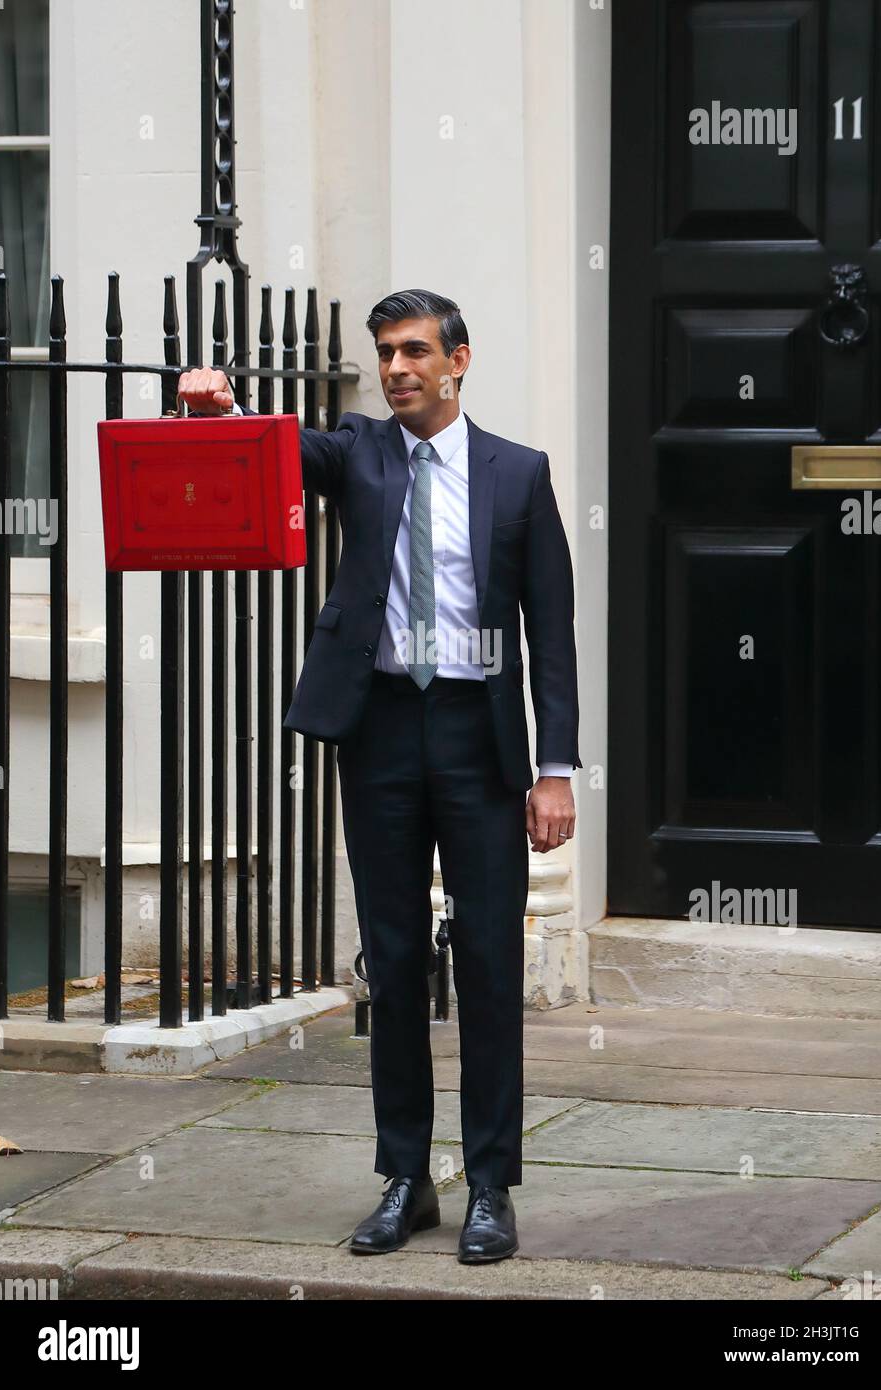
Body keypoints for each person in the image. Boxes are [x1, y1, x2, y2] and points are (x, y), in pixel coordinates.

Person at [178, 288, 580, 1264]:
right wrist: (217, 402)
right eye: (385, 354)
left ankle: (489, 1186)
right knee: (394, 964)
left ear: (459, 360)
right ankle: (406, 1178)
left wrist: (556, 768)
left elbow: (552, 630)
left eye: (413, 352)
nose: (396, 368)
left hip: (479, 743)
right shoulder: (355, 452)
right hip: (384, 736)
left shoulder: (517, 474)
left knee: (486, 965)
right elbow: (269, 446)